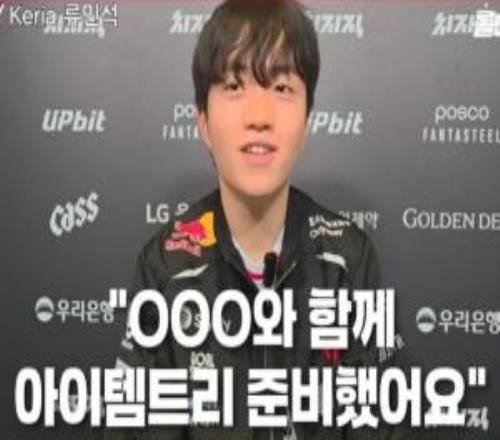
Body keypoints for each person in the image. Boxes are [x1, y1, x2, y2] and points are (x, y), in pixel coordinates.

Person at [104, 1, 395, 439]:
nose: (259, 117)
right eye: (235, 86)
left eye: (281, 87)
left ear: (307, 121)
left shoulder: (347, 259)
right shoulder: (165, 265)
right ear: (203, 122)